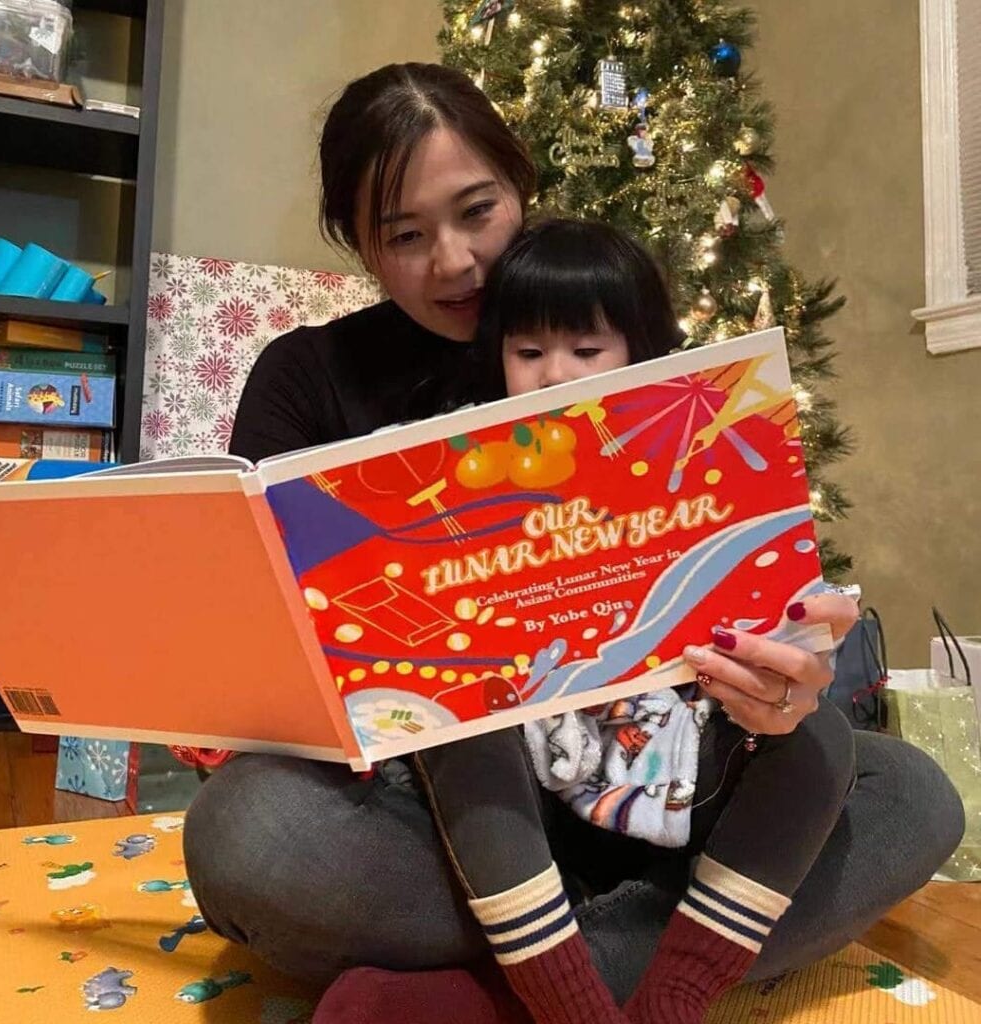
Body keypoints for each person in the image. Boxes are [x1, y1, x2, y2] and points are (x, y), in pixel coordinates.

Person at [183, 62, 965, 1021]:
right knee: (247, 838)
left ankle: (510, 990)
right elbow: (257, 642)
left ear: (521, 188)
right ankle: (624, 956)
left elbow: (742, 605)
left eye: (478, 210)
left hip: (662, 778)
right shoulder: (308, 377)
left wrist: (784, 676)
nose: (457, 261)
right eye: (405, 236)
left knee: (908, 796)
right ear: (359, 244)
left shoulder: (645, 364)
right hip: (441, 816)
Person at [329, 217, 854, 1024]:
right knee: (440, 728)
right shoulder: (457, 461)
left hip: (677, 772)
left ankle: (639, 996)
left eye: (587, 350)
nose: (552, 377)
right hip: (511, 814)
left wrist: (787, 660)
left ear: (640, 352)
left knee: (862, 766)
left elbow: (765, 642)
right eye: (528, 354)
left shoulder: (694, 450)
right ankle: (569, 994)